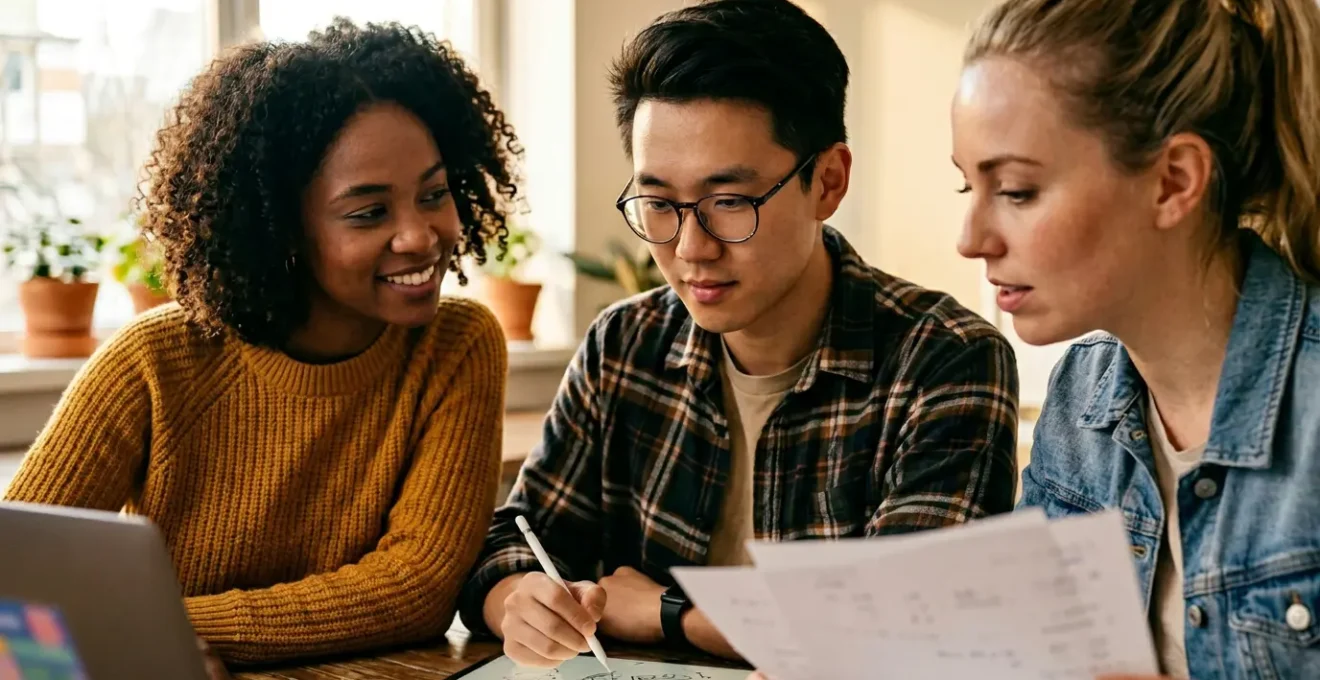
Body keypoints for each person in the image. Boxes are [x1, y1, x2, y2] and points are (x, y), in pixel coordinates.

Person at [459, 0, 1020, 668]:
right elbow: (513, 540)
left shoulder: (945, 360)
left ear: (828, 182)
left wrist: (669, 615)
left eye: (730, 202)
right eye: (659, 204)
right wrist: (521, 599)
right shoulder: (624, 346)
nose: (691, 248)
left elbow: (901, 636)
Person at [3, 18, 518, 672]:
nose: (419, 236)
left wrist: (159, 627)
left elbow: (415, 587)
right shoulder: (151, 364)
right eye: (369, 212)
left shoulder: (459, 346)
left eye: (434, 194)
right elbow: (15, 584)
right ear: (281, 227)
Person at [951, 0, 1320, 677]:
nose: (971, 239)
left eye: (1018, 191)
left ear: (1173, 181)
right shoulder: (1081, 392)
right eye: (966, 185)